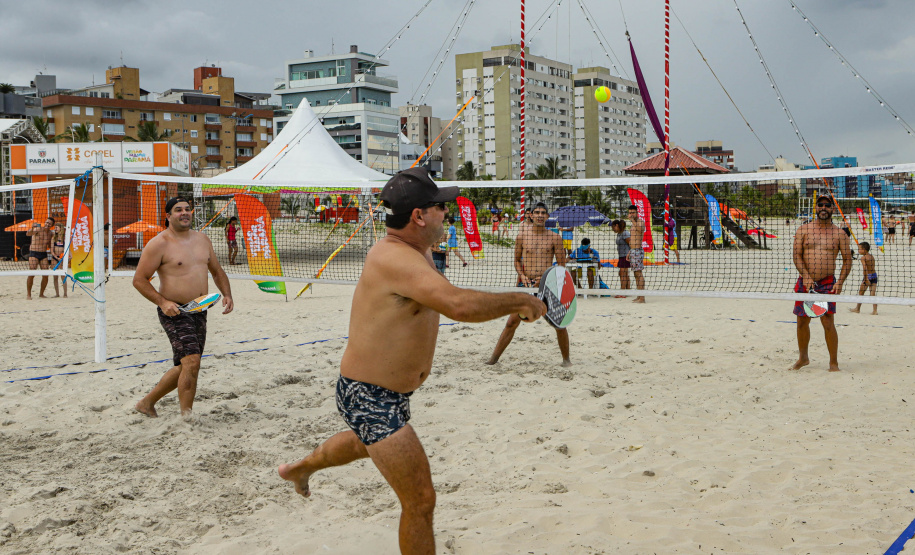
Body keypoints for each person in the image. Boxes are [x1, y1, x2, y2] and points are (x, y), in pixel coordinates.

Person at [277, 167, 545, 555]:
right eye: (440, 207)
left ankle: (302, 468)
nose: (446, 212)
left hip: (386, 392)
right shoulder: (395, 258)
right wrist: (519, 299)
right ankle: (305, 467)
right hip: (369, 396)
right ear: (418, 216)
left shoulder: (417, 250)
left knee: (362, 444)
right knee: (420, 500)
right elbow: (457, 305)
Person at [133, 197, 234, 418]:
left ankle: (147, 403)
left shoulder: (202, 239)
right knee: (192, 361)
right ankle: (186, 419)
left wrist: (227, 294)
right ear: (168, 216)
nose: (184, 213)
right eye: (178, 210)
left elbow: (217, 271)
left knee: (187, 364)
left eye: (187, 209)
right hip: (175, 311)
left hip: (200, 308)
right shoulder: (159, 243)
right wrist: (163, 302)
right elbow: (139, 280)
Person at [486, 202, 572, 367]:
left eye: (543, 213)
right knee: (511, 322)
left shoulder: (555, 237)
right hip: (527, 285)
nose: (540, 215)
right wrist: (522, 275)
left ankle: (566, 361)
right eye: (537, 212)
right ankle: (493, 359)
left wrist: (546, 277)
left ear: (547, 216)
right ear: (531, 215)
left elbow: (561, 265)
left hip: (547, 285)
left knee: (559, 323)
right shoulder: (522, 236)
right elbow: (516, 261)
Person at [790, 194, 853, 372]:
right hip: (806, 282)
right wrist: (806, 276)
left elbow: (847, 260)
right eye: (820, 205)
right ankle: (803, 358)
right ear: (816, 208)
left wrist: (840, 282)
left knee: (827, 322)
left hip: (827, 283)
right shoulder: (803, 230)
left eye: (827, 205)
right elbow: (796, 255)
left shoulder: (840, 234)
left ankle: (833, 363)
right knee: (802, 322)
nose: (823, 208)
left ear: (832, 209)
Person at [25, 217, 55, 300]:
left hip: (43, 254)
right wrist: (32, 228)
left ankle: (41, 294)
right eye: (46, 222)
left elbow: (50, 245)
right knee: (32, 273)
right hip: (34, 253)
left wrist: (55, 255)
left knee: (46, 275)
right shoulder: (38, 229)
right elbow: (28, 234)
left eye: (49, 223)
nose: (47, 224)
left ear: (52, 225)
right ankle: (28, 294)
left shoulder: (50, 234)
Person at [849, 241, 878, 315]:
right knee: (873, 294)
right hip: (874, 275)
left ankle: (857, 309)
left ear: (864, 249)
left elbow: (865, 268)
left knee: (861, 293)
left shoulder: (863, 258)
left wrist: (866, 279)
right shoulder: (871, 256)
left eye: (859, 249)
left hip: (868, 276)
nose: (858, 250)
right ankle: (875, 310)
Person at [627, 205, 647, 303]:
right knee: (635, 274)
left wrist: (632, 220)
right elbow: (632, 238)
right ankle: (639, 296)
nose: (631, 215)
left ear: (637, 213)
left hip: (638, 251)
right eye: (630, 213)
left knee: (639, 273)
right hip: (633, 251)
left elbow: (640, 230)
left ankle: (642, 297)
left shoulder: (640, 222)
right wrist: (629, 251)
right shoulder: (633, 224)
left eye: (633, 213)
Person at [611, 220, 631, 297]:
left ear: (617, 225)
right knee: (624, 273)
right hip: (621, 256)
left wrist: (630, 254)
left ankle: (623, 292)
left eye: (613, 227)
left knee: (623, 273)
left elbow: (631, 244)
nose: (613, 229)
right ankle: (628, 290)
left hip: (625, 256)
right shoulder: (619, 234)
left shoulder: (625, 233)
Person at [50, 223, 67, 298]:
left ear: (61, 228)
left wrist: (70, 256)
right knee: (55, 277)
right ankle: (57, 294)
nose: (55, 229)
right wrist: (56, 257)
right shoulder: (53, 238)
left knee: (63, 276)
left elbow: (68, 248)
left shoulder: (64, 238)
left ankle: (65, 294)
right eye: (55, 227)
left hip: (62, 258)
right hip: (55, 258)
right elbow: (51, 250)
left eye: (56, 227)